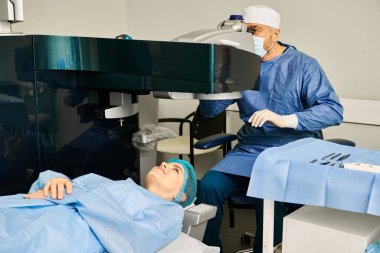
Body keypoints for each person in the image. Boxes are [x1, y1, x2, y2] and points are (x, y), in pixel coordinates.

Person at [196, 5, 343, 253]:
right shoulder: (239, 66)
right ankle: (207, 249)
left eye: (255, 30)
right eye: (244, 31)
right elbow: (210, 112)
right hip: (251, 150)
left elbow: (333, 111)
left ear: (275, 33)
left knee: (268, 192)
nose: (248, 37)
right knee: (209, 185)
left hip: (293, 150)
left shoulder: (303, 65)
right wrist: (215, 75)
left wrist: (286, 120)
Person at [0, 158, 197, 253]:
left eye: (175, 170)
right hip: (33, 207)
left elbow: (132, 237)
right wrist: (56, 180)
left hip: (64, 234)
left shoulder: (171, 213)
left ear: (180, 196)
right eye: (167, 163)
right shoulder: (114, 184)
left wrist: (75, 196)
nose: (164, 164)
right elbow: (71, 183)